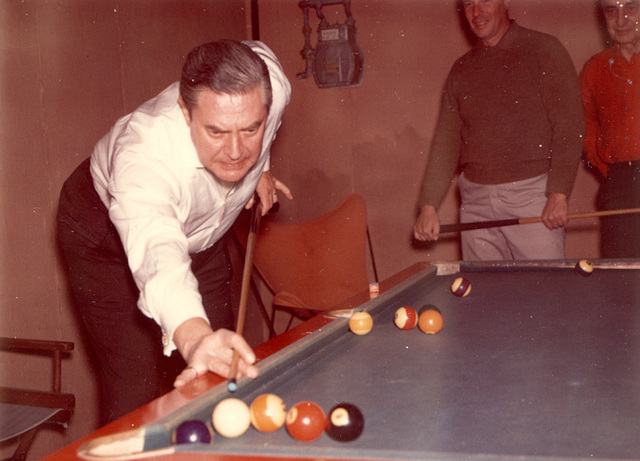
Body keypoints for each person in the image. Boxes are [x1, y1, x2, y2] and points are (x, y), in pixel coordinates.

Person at [57, 40, 292, 424]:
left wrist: (260, 166)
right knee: (137, 384)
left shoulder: (273, 83)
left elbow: (256, 126)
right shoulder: (144, 155)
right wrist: (195, 337)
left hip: (201, 231)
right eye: (216, 132)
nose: (236, 151)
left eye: (251, 129)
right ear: (185, 112)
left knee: (219, 369)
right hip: (105, 238)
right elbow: (157, 248)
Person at [413, 0, 585, 261]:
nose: (477, 12)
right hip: (475, 203)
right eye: (469, 4)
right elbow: (446, 140)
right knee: (484, 296)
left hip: (532, 198)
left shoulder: (545, 49)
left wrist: (559, 192)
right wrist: (428, 205)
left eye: (485, 1)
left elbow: (570, 124)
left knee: (545, 295)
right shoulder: (461, 70)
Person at [580, 0, 640, 258]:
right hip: (618, 186)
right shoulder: (594, 69)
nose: (621, 19)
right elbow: (586, 126)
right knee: (621, 282)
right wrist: (611, 170)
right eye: (611, 10)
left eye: (631, 7)